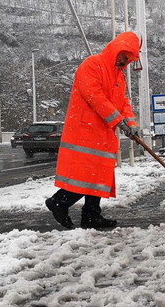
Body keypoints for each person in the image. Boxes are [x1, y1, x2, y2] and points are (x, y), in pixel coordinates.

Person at [45, 32, 141, 229]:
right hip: (84, 131)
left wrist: (131, 124)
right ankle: (59, 202)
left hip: (103, 133)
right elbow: (93, 95)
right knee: (86, 175)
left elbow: (123, 103)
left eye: (129, 59)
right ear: (116, 49)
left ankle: (91, 215)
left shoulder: (119, 77)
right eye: (125, 56)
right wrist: (117, 120)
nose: (125, 61)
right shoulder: (92, 64)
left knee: (99, 175)